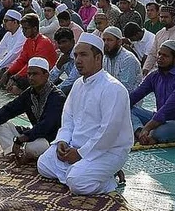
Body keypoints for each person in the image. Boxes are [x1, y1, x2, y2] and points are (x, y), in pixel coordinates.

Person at [36, 33, 134, 195]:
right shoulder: (78, 85)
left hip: (108, 151)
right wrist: (63, 141)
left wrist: (81, 154)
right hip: (75, 147)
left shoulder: (113, 88)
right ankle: (82, 172)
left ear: (98, 58)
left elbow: (108, 132)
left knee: (77, 183)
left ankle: (109, 181)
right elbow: (68, 119)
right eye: (75, 55)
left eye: (83, 55)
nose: (78, 60)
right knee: (43, 165)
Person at [0, 57, 65, 162]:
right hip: (33, 135)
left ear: (46, 75)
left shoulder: (57, 97)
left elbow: (47, 126)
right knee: (1, 126)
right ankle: (13, 153)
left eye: (35, 74)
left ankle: (24, 153)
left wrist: (21, 138)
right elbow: (8, 110)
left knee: (34, 147)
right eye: (29, 74)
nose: (31, 78)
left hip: (51, 139)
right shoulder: (29, 93)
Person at [130, 39, 175, 144]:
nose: (160, 58)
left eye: (165, 56)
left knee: (158, 132)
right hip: (162, 119)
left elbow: (169, 108)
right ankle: (140, 133)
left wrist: (148, 128)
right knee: (127, 109)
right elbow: (135, 95)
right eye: (159, 54)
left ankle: (148, 135)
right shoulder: (155, 76)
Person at [1, 13, 58, 93]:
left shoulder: (43, 42)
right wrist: (8, 72)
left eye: (26, 29)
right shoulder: (29, 41)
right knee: (4, 74)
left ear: (34, 29)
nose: (23, 31)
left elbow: (34, 66)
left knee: (16, 85)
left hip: (43, 74)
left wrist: (15, 77)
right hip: (32, 72)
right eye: (22, 29)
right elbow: (22, 60)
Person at [143, 6, 175, 74]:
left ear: (173, 18)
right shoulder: (159, 34)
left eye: (166, 17)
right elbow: (153, 54)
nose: (163, 19)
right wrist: (146, 68)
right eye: (161, 17)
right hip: (160, 71)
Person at [101, 27, 143, 92]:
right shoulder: (105, 58)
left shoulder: (128, 59)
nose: (105, 43)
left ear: (119, 42)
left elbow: (126, 87)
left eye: (109, 40)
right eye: (104, 40)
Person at [50, 28, 79, 94]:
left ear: (73, 41)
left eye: (64, 42)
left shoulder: (79, 55)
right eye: (59, 43)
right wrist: (58, 65)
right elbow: (50, 79)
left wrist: (53, 93)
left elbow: (72, 81)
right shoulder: (63, 56)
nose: (61, 46)